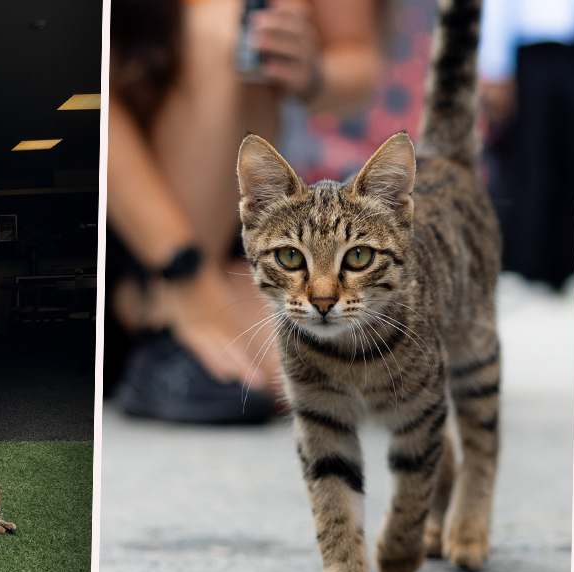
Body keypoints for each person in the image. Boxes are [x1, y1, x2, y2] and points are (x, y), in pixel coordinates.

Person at [106, 0, 388, 423]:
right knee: (225, 27)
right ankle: (154, 306)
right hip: (124, 219)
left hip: (207, 224)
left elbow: (356, 60)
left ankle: (161, 322)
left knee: (322, 381)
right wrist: (184, 274)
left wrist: (311, 73)